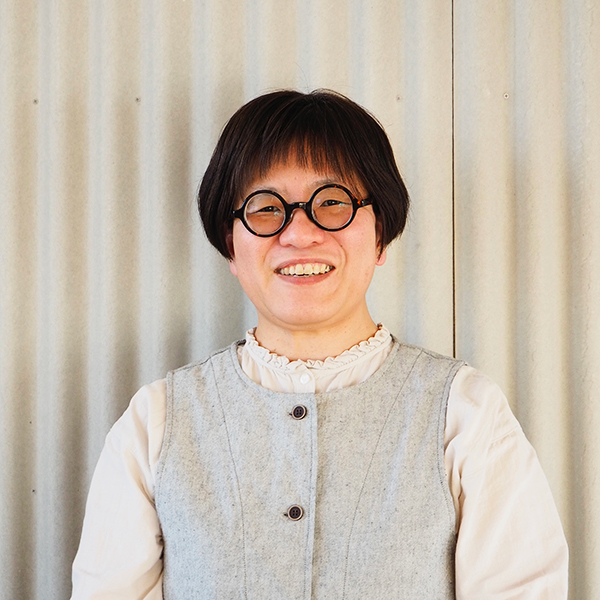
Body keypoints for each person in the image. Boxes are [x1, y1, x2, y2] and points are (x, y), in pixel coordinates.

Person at [71, 90, 568, 599]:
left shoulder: (464, 414)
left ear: (379, 234)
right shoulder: (156, 422)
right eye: (266, 208)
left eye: (332, 202)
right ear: (231, 244)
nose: (299, 234)